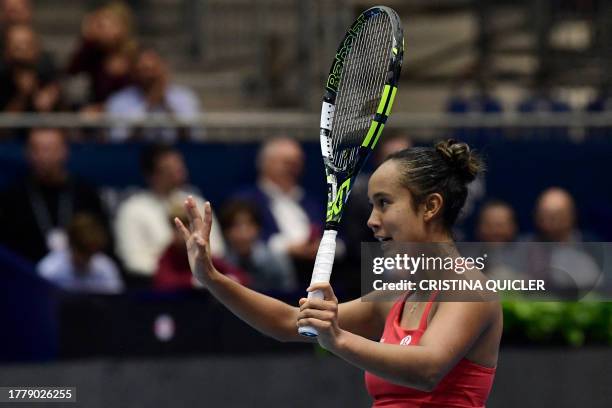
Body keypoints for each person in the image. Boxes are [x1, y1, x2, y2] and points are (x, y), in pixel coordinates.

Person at [175, 139, 502, 407]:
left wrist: (339, 339)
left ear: (430, 206)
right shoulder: (393, 298)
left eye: (384, 203)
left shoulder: (471, 288)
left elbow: (427, 368)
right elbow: (289, 322)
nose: (372, 220)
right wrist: (212, 278)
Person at [114, 144, 225, 286]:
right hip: (154, 289)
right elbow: (133, 260)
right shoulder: (132, 209)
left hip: (202, 286)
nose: (176, 172)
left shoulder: (198, 203)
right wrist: (175, 276)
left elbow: (217, 251)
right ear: (152, 174)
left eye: (178, 167)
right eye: (168, 169)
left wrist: (194, 274)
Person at [0, 128, 109, 262]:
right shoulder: (13, 196)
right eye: (37, 149)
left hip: (79, 274)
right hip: (27, 274)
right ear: (27, 154)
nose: (44, 156)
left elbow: (102, 240)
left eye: (50, 149)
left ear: (64, 151)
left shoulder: (85, 192)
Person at [233, 137, 322, 287]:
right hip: (269, 280)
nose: (293, 169)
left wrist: (322, 246)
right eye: (287, 163)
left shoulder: (312, 200)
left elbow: (339, 237)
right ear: (265, 164)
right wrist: (288, 248)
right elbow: (243, 240)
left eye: (297, 163)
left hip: (319, 270)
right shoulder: (245, 200)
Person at [105, 48, 202, 142]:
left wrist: (166, 106)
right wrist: (149, 106)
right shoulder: (119, 100)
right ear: (134, 71)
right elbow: (119, 142)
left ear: (164, 68)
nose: (149, 76)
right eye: (144, 70)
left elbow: (193, 137)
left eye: (153, 70)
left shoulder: (185, 97)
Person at [153, 203, 250, 291]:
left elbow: (240, 276)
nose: (184, 232)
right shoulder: (168, 255)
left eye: (188, 226)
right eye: (178, 228)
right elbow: (163, 282)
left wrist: (228, 280)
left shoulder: (201, 251)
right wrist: (193, 281)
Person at [66, 1, 137, 112]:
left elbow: (138, 98)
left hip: (128, 114)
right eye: (100, 26)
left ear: (123, 27)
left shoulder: (134, 56)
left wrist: (104, 108)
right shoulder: (94, 53)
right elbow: (71, 72)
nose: (103, 30)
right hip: (97, 117)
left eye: (109, 24)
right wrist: (87, 37)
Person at [219, 200, 296, 293]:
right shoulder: (220, 263)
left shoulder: (277, 259)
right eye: (236, 226)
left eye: (249, 225)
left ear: (258, 228)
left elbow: (289, 295)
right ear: (226, 231)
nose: (243, 233)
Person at [37, 213, 123, 294]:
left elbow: (117, 300)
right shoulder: (49, 270)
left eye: (90, 254)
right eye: (82, 252)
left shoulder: (106, 267)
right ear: (71, 244)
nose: (85, 259)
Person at [0, 24, 61, 114]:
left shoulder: (47, 69)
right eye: (17, 47)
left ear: (37, 47)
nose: (24, 50)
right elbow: (5, 123)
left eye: (28, 44)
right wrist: (22, 96)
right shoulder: (3, 75)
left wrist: (53, 94)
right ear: (7, 51)